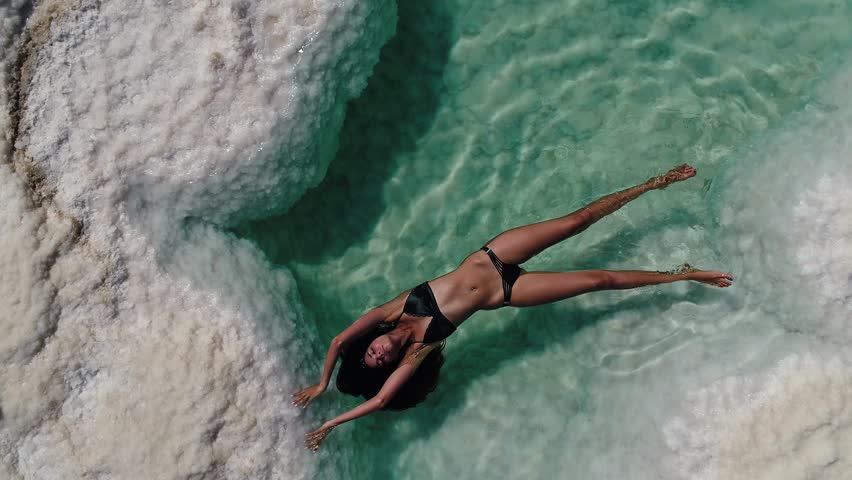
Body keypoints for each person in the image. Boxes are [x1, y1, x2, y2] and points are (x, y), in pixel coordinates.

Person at [293, 164, 733, 451]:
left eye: (372, 352)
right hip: (507, 292)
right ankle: (686, 274)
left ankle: (655, 182)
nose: (381, 353)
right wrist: (334, 424)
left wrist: (321, 382)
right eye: (380, 361)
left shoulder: (391, 312)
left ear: (371, 342)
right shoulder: (417, 352)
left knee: (578, 221)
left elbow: (338, 339)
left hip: (493, 255)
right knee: (599, 281)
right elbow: (384, 399)